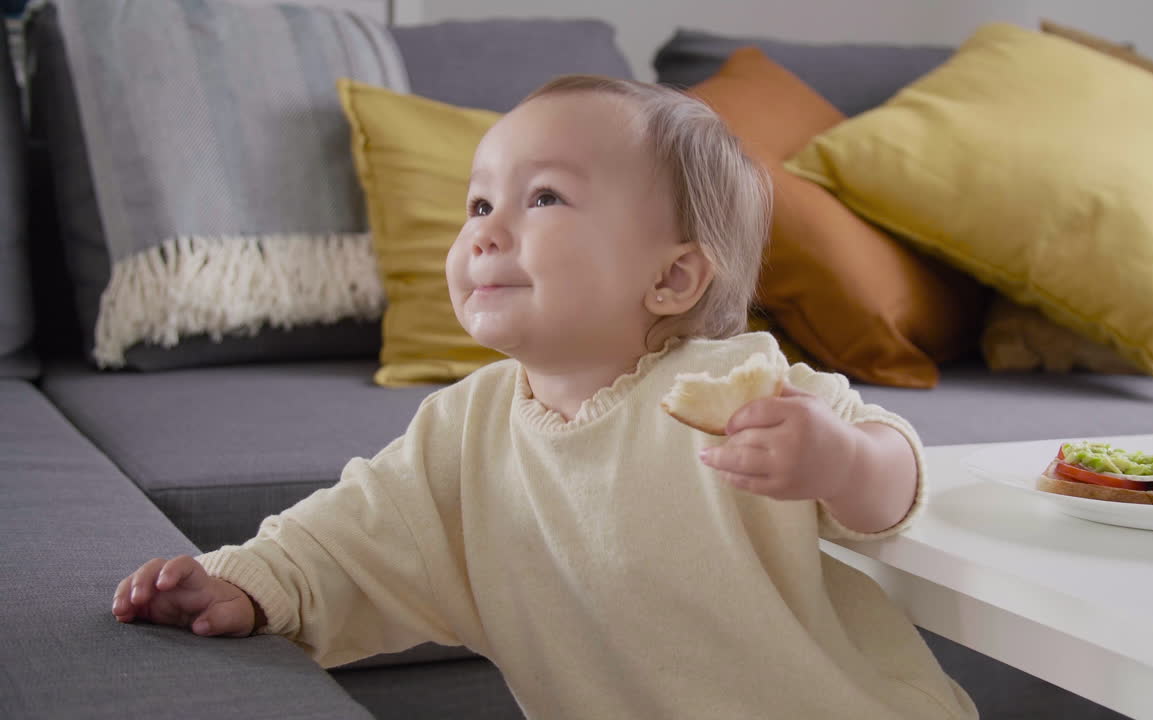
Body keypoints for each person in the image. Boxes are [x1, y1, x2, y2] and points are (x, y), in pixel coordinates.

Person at [111, 75, 977, 719]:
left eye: (544, 198)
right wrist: (249, 586)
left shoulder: (740, 386)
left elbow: (895, 484)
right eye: (479, 202)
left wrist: (841, 460)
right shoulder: (464, 429)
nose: (486, 231)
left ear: (673, 278)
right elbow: (348, 541)